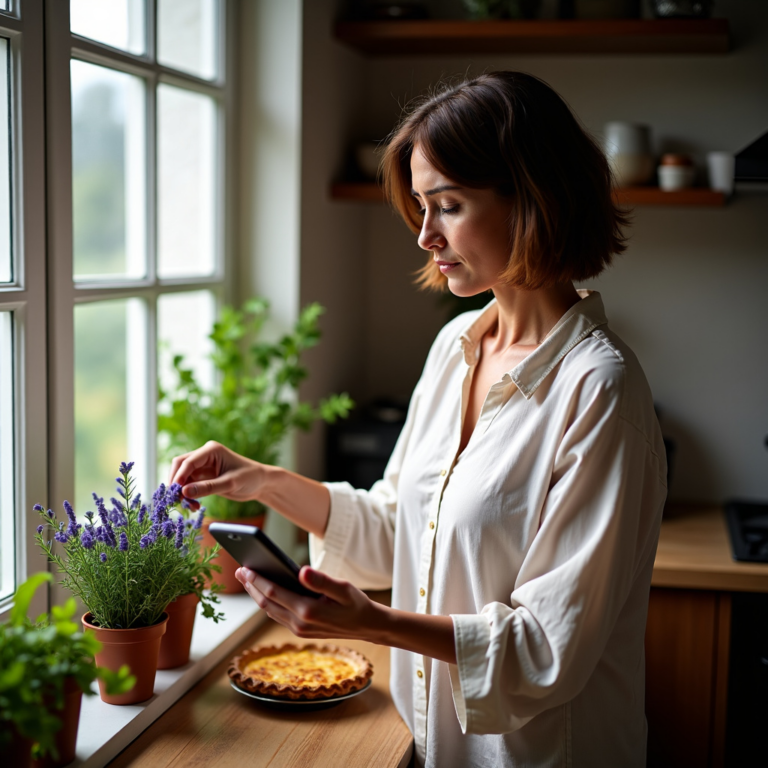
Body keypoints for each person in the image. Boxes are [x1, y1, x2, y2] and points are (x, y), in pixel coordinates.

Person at [170, 71, 667, 767]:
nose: (425, 236)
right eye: (422, 208)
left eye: (449, 206)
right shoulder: (454, 349)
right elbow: (398, 529)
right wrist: (263, 482)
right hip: (434, 749)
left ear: (532, 199)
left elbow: (544, 647)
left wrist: (374, 624)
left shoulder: (600, 389)